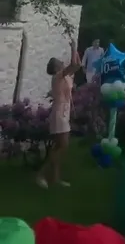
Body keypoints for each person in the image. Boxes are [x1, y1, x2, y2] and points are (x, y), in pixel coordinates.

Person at [37, 40, 80, 188]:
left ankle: (55, 178)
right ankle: (40, 174)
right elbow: (73, 65)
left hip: (64, 113)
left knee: (57, 146)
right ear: (56, 67)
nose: (62, 62)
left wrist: (76, 50)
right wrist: (73, 47)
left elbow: (77, 65)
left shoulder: (65, 77)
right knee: (63, 145)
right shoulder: (58, 77)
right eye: (60, 62)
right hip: (59, 114)